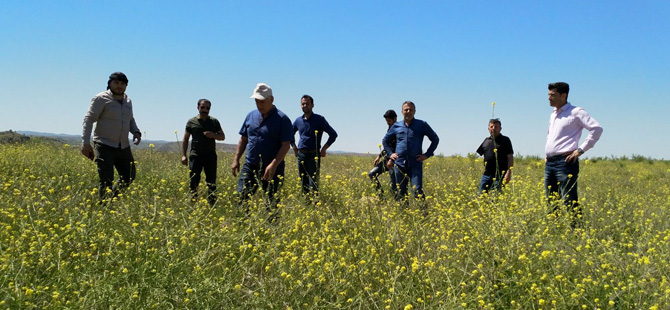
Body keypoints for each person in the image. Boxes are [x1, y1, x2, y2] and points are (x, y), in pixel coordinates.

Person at [231, 83, 293, 220]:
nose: (259, 105)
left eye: (262, 101)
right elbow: (243, 139)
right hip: (250, 165)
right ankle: (241, 224)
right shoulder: (250, 116)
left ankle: (272, 230)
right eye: (256, 101)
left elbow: (286, 145)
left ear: (272, 99)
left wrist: (274, 164)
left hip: (272, 168)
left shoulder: (282, 119)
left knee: (271, 202)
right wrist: (236, 159)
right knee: (241, 196)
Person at [545, 82, 603, 225]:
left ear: (563, 95)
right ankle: (555, 229)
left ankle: (577, 231)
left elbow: (596, 129)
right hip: (550, 162)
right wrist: (548, 154)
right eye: (548, 95)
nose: (549, 98)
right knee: (551, 200)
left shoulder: (576, 112)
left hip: (565, 162)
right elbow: (550, 135)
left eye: (553, 95)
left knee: (568, 199)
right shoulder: (553, 114)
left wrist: (581, 150)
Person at [81, 72, 142, 202]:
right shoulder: (101, 98)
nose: (119, 86)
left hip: (123, 145)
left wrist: (136, 131)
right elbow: (89, 119)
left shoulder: (128, 101)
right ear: (110, 84)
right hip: (104, 144)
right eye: (116, 83)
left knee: (129, 176)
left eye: (122, 84)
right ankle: (104, 207)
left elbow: (130, 119)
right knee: (106, 179)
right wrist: (85, 143)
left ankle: (111, 201)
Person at [382, 101, 439, 207]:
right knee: (401, 192)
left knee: (417, 190)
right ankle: (404, 216)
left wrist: (427, 154)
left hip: (415, 163)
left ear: (414, 111)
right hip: (399, 164)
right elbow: (385, 141)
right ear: (402, 112)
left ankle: (424, 214)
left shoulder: (422, 125)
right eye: (406, 110)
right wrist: (390, 154)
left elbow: (435, 139)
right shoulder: (396, 126)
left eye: (411, 110)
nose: (408, 111)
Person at [181, 99, 225, 205]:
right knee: (194, 181)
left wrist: (213, 135)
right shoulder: (191, 122)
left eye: (208, 108)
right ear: (198, 107)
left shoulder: (214, 122)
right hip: (195, 156)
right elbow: (185, 139)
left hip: (210, 156)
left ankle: (212, 204)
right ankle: (193, 203)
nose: (205, 110)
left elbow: (222, 136)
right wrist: (183, 155)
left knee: (211, 182)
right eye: (203, 107)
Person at [291, 94, 338, 195]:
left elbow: (333, 134)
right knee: (303, 183)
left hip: (314, 155)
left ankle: (316, 205)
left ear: (312, 105)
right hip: (301, 155)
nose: (305, 106)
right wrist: (294, 148)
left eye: (307, 104)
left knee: (314, 183)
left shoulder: (319, 119)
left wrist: (324, 149)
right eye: (303, 104)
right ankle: (306, 205)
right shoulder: (298, 121)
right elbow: (289, 134)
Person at [476, 118, 514, 194]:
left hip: (499, 176)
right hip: (486, 175)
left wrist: (508, 172)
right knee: (482, 198)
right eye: (491, 127)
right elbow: (481, 155)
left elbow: (510, 157)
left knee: (496, 198)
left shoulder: (505, 140)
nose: (493, 129)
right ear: (488, 129)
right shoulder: (486, 141)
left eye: (496, 127)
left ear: (500, 129)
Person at [368, 109, 397, 196]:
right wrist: (379, 156)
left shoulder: (399, 129)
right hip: (387, 159)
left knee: (394, 185)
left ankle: (397, 204)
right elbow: (387, 146)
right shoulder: (390, 129)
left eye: (389, 120)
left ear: (395, 118)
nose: (387, 122)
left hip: (394, 161)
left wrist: (391, 160)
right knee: (372, 174)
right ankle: (381, 197)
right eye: (386, 121)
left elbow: (397, 147)